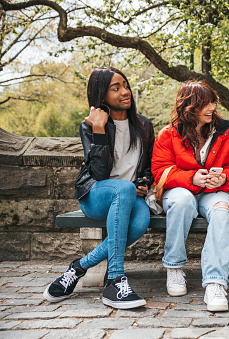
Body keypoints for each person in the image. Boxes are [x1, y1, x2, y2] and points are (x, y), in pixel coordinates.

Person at [43, 67, 154, 309]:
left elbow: (147, 166)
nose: (125, 91)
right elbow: (99, 173)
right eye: (116, 88)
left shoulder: (144, 125)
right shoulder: (91, 125)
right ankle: (115, 280)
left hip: (130, 196)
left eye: (125, 84)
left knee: (140, 222)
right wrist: (99, 130)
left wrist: (144, 183)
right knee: (122, 189)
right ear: (102, 96)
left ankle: (78, 267)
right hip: (96, 195)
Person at [151, 81, 229, 312]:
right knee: (181, 202)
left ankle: (215, 282)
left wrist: (224, 179)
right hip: (181, 191)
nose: (211, 107)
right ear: (189, 107)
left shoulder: (228, 134)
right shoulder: (167, 135)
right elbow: (160, 170)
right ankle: (174, 267)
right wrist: (190, 178)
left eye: (212, 101)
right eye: (204, 104)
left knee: (223, 211)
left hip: (214, 193)